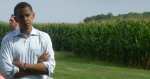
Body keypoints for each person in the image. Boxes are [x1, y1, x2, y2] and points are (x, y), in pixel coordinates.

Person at [0, 2, 55, 79]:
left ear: (33, 15)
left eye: (27, 15)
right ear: (16, 19)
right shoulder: (8, 39)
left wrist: (23, 66)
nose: (25, 19)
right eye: (21, 16)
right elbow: (6, 71)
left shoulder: (44, 37)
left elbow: (50, 68)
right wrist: (37, 66)